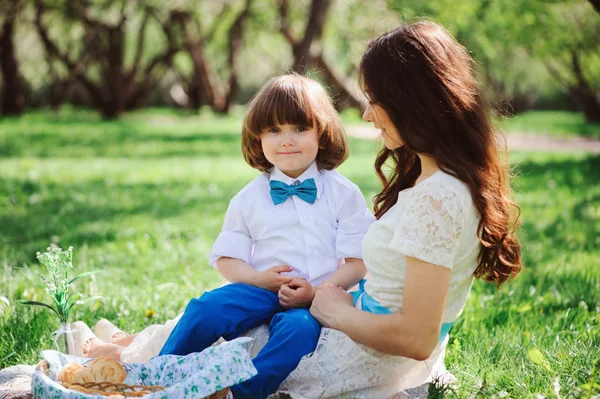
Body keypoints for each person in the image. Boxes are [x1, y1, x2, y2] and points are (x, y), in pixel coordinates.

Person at [72, 74, 375, 399]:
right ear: (258, 136)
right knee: (206, 308)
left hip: (313, 297)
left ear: (323, 132)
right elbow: (228, 260)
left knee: (298, 331)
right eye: (274, 130)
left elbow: (358, 264)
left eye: (300, 128)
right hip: (260, 289)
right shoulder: (249, 198)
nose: (286, 140)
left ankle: (239, 393)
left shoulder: (343, 193)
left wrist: (314, 292)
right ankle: (159, 375)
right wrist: (259, 279)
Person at [266, 20, 522, 398]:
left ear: (411, 101)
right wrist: (324, 297)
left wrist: (336, 313)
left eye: (374, 100)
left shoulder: (437, 198)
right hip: (370, 342)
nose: (368, 115)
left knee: (222, 352)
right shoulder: (442, 180)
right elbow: (397, 295)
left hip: (367, 361)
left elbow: (417, 337)